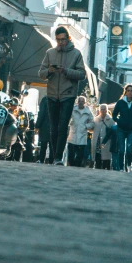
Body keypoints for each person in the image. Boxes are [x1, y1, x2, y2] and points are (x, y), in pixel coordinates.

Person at [39, 25, 86, 166]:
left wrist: (66, 71)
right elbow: (41, 73)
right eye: (58, 40)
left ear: (68, 39)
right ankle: (54, 156)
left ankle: (58, 157)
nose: (60, 43)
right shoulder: (50, 53)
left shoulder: (76, 54)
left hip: (68, 94)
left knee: (62, 126)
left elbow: (82, 74)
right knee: (53, 127)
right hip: (52, 94)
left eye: (63, 40)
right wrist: (50, 70)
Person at [112, 83, 132, 171]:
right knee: (122, 149)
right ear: (125, 92)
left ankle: (129, 166)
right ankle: (121, 167)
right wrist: (119, 121)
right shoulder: (120, 102)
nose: (130, 92)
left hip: (131, 129)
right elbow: (114, 115)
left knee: (129, 149)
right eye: (128, 91)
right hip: (121, 129)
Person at [67, 96, 94, 167]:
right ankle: (72, 165)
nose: (81, 103)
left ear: (85, 103)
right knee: (71, 155)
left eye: (82, 101)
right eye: (80, 101)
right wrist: (69, 123)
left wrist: (86, 126)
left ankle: (77, 167)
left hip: (82, 136)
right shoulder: (73, 110)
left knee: (80, 155)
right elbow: (67, 118)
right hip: (72, 135)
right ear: (77, 102)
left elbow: (92, 122)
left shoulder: (88, 112)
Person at [91, 104, 115, 169]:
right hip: (97, 142)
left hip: (107, 142)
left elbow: (114, 131)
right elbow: (91, 128)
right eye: (102, 109)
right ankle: (97, 167)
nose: (103, 110)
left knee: (106, 158)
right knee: (98, 156)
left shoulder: (111, 120)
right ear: (99, 110)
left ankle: (106, 168)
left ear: (107, 110)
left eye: (104, 109)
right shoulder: (96, 119)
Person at [35, 95, 52, 164]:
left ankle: (41, 160)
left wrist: (37, 125)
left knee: (43, 145)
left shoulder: (45, 99)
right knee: (52, 146)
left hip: (44, 126)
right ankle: (51, 161)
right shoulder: (58, 100)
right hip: (54, 126)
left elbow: (41, 113)